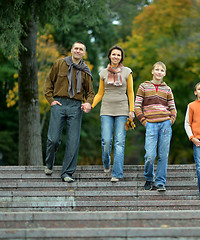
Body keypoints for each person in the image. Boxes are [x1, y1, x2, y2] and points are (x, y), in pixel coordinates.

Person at [44, 41, 95, 183]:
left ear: (84, 53)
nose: (78, 51)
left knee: (73, 141)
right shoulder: (59, 64)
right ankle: (49, 163)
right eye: (76, 48)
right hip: (59, 103)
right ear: (71, 50)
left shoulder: (85, 70)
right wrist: (51, 100)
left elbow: (90, 92)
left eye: (81, 49)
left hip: (75, 106)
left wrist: (88, 103)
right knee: (53, 139)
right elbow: (48, 83)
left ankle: (67, 173)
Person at [91, 45, 135, 182]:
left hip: (122, 109)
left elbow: (130, 92)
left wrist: (131, 110)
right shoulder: (103, 73)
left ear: (121, 57)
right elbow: (100, 93)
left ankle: (116, 173)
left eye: (118, 55)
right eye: (114, 54)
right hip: (106, 110)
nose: (116, 57)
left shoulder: (127, 72)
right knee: (106, 141)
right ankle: (106, 162)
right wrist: (91, 105)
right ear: (109, 56)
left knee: (119, 142)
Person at [135, 61, 177, 192]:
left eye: (162, 70)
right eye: (157, 70)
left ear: (164, 73)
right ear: (152, 71)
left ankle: (160, 182)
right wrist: (144, 121)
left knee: (163, 155)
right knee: (150, 155)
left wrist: (171, 120)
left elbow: (173, 108)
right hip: (150, 124)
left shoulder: (167, 89)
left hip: (165, 123)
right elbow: (137, 106)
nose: (159, 72)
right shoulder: (144, 86)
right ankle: (148, 178)